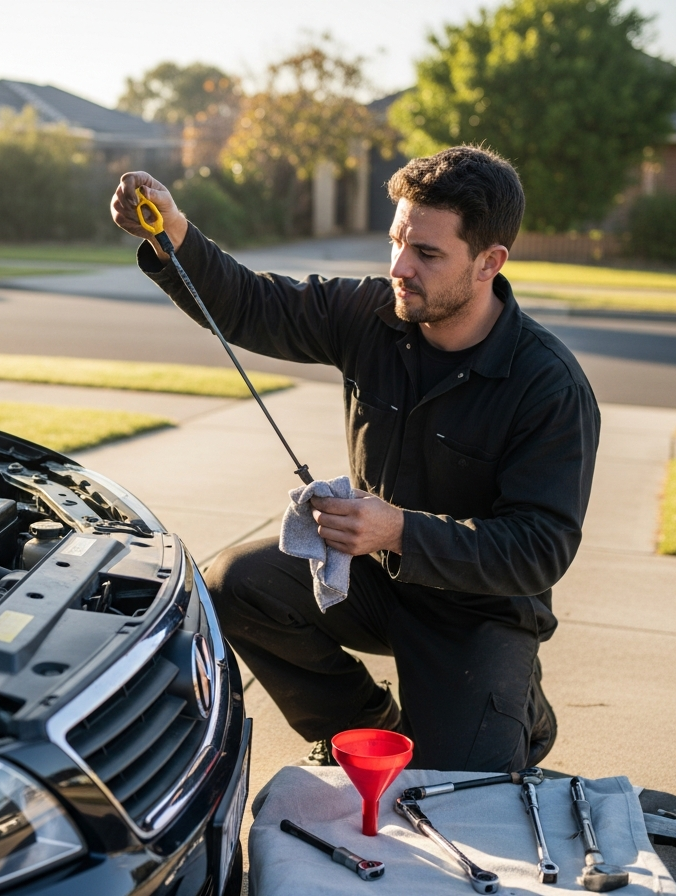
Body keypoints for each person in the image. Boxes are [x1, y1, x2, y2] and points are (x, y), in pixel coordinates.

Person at [110, 146, 600, 772]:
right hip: (373, 580)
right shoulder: (371, 313)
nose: (400, 266)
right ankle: (366, 730)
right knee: (236, 584)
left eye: (426, 253)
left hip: (477, 612)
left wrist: (399, 529)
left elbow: (540, 549)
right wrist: (173, 233)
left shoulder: (548, 384)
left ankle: (516, 712)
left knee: (459, 792)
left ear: (488, 262)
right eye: (397, 241)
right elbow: (252, 304)